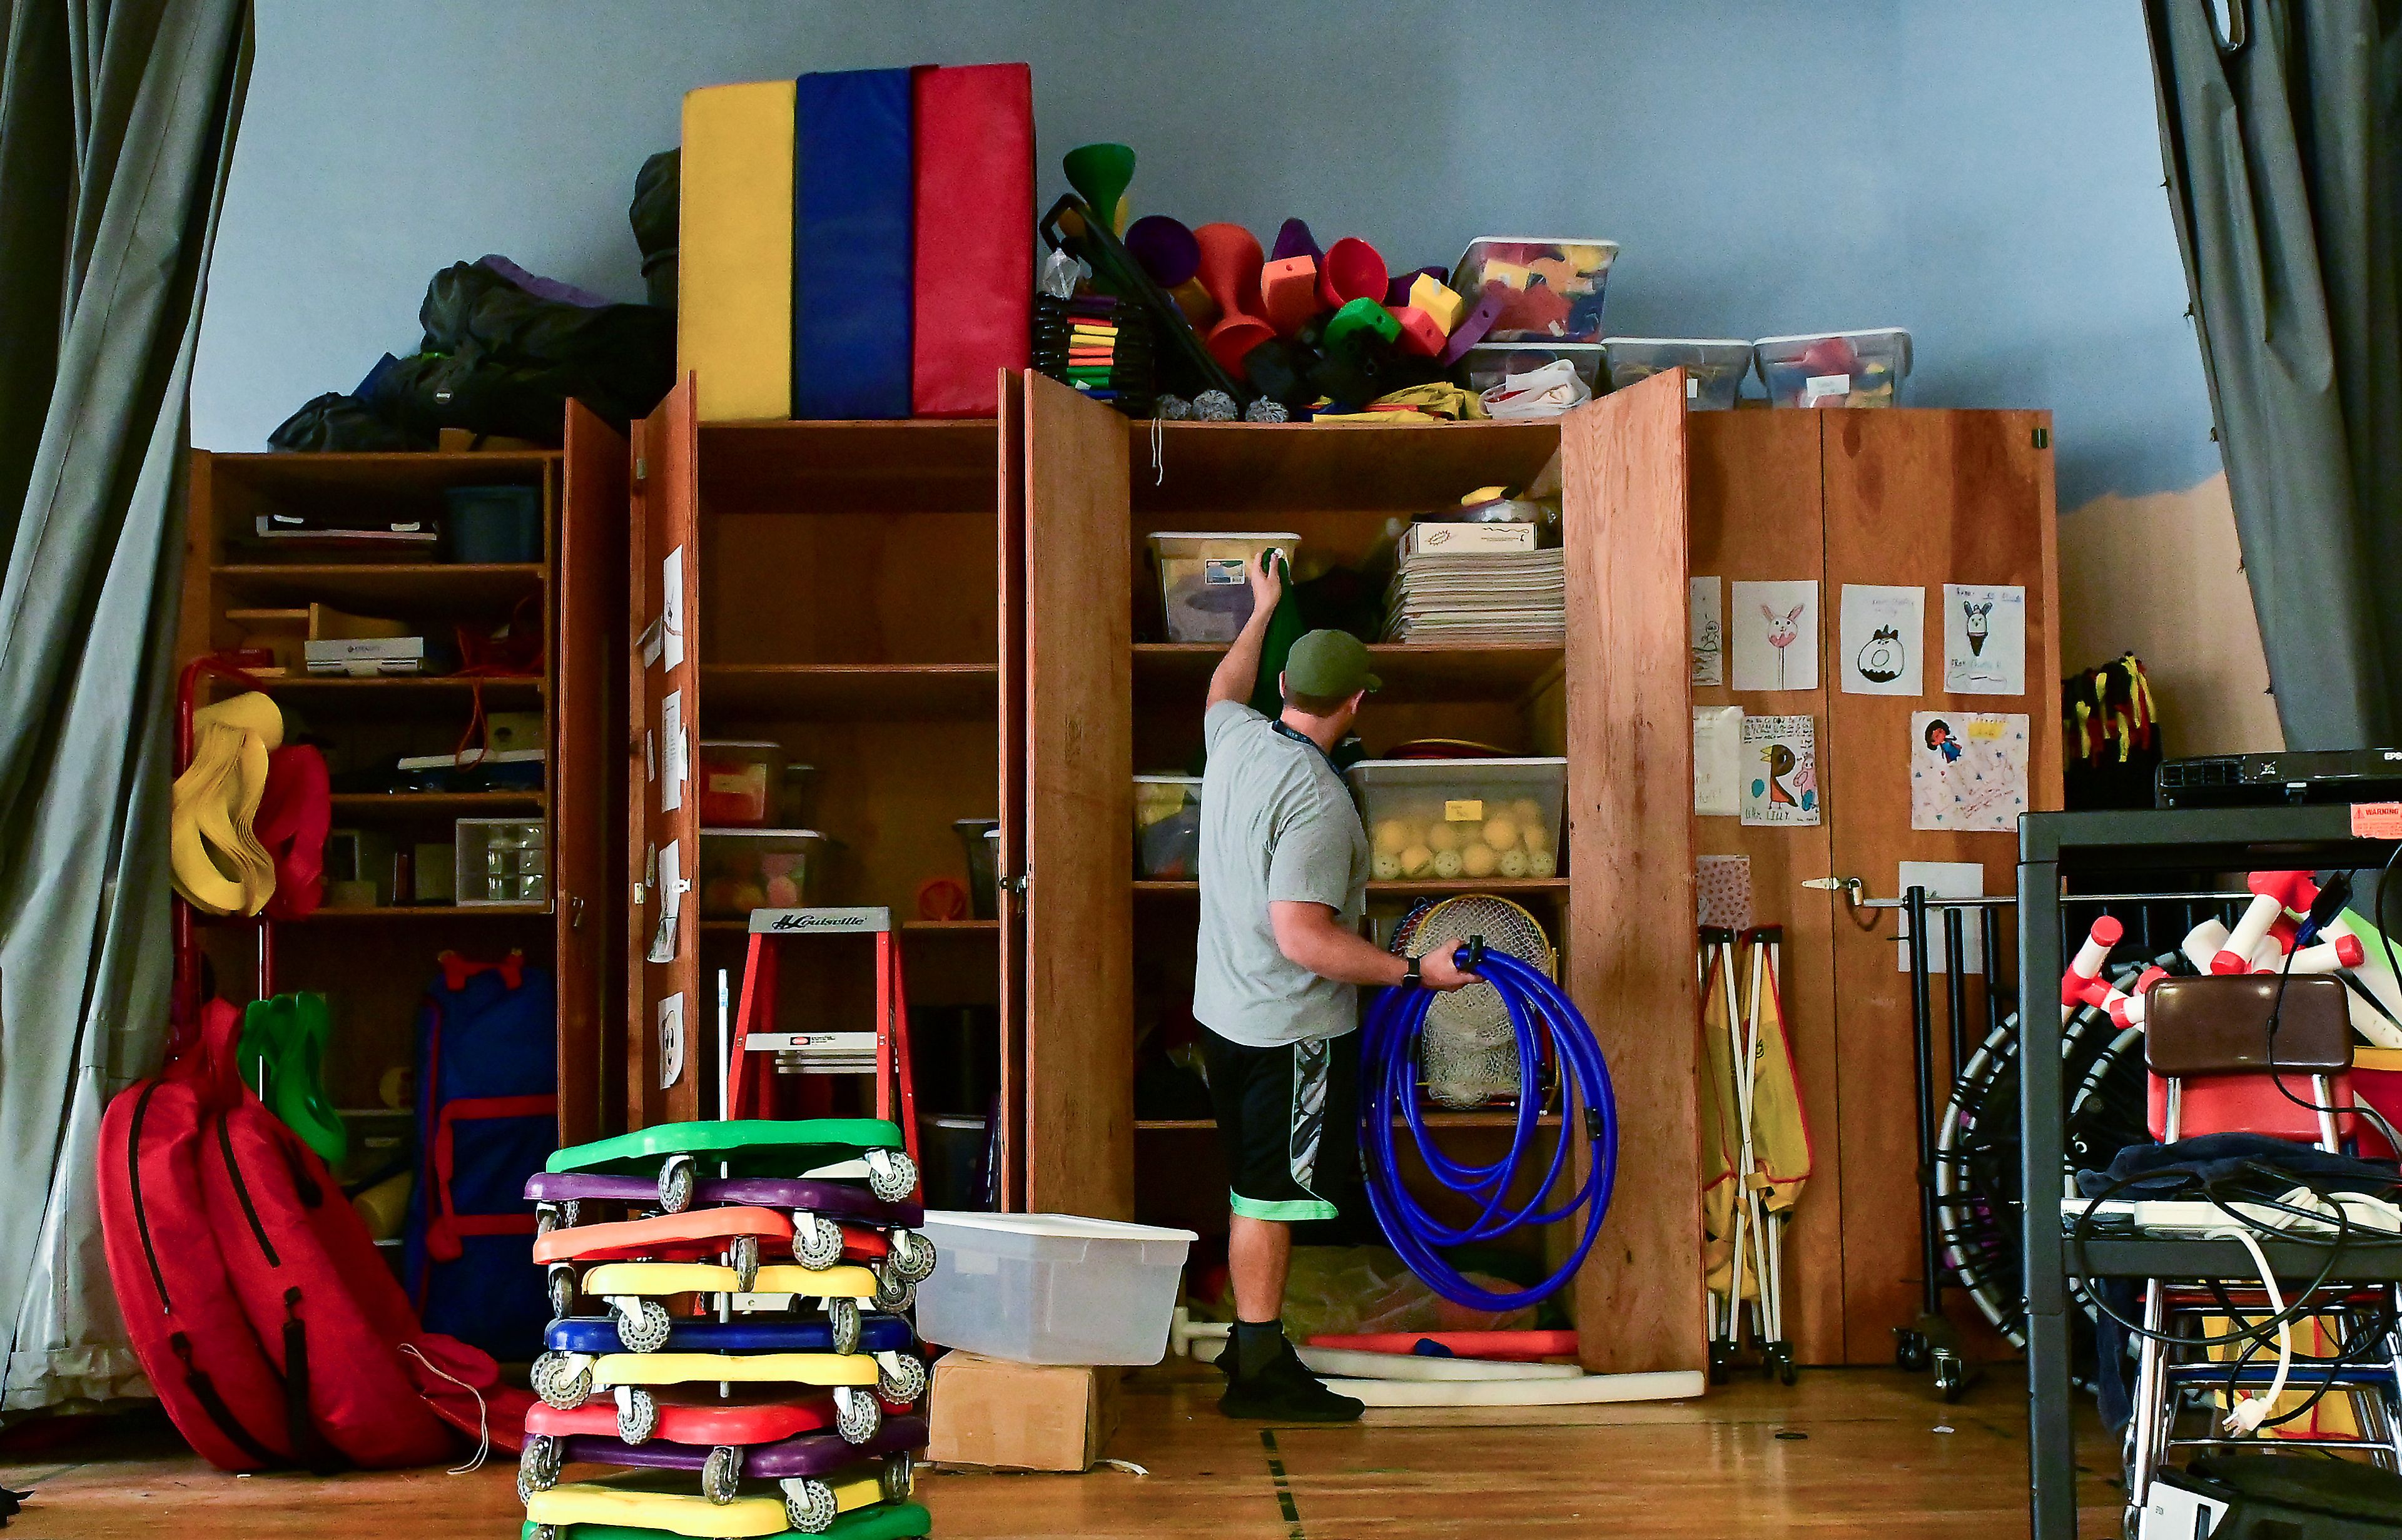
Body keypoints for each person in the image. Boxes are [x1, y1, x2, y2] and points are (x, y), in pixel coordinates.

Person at [1193, 550, 1473, 1421]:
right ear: (1357, 703)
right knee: (1268, 1195)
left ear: (1286, 683)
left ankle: (1253, 1352)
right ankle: (1261, 1368)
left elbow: (1219, 688)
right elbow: (1304, 936)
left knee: (1251, 1185)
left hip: (1223, 1012)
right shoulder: (1318, 801)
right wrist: (1414, 973)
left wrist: (1259, 608)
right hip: (1285, 1027)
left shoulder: (1236, 736)